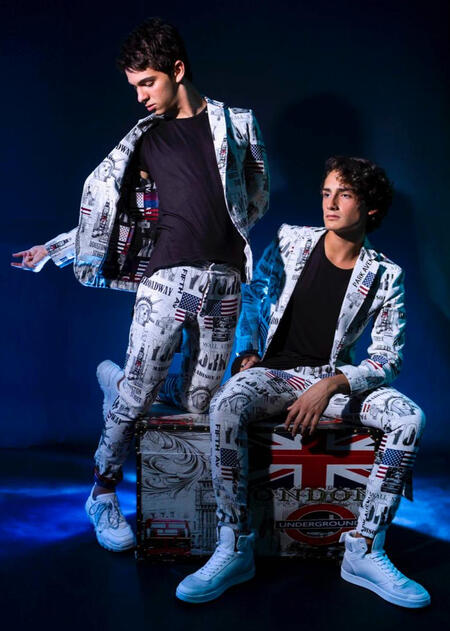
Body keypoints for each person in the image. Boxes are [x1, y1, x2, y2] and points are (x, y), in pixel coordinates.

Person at [11, 17, 269, 552]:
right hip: (167, 281)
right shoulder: (145, 142)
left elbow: (256, 195)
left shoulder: (237, 123)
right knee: (136, 399)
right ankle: (102, 492)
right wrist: (54, 250)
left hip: (225, 283)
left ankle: (125, 384)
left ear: (178, 70)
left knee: (200, 402)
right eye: (134, 86)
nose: (140, 96)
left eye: (147, 82)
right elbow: (106, 218)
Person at [176, 156, 430, 608]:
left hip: (333, 380)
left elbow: (388, 357)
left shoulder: (385, 274)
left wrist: (333, 384)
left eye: (344, 195)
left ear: (370, 207)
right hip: (274, 374)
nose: (330, 203)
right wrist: (247, 350)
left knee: (409, 418)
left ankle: (364, 549)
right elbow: (255, 294)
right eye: (326, 193)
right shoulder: (291, 241)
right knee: (226, 404)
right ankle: (234, 544)